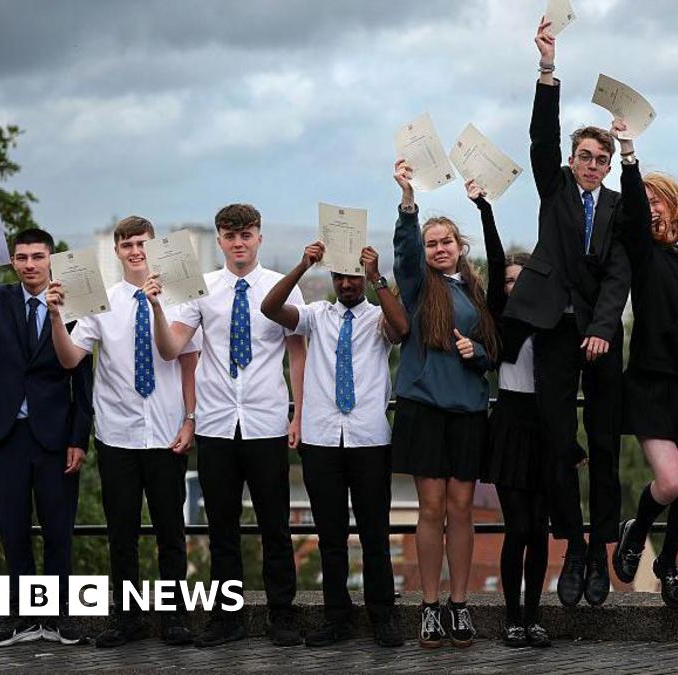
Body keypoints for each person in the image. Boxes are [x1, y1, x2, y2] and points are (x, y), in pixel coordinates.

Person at [502, 17, 632, 608]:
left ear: (608, 165)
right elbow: (540, 139)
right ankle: (573, 547)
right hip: (553, 329)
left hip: (600, 337)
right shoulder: (554, 189)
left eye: (600, 159)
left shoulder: (619, 207)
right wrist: (547, 70)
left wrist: (604, 330)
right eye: (584, 156)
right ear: (573, 159)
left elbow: (620, 273)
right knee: (558, 443)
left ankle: (601, 551)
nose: (591, 164)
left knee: (603, 445)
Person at [147, 204, 307, 648]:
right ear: (219, 240)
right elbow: (172, 348)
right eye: (230, 235)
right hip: (216, 423)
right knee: (221, 528)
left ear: (259, 238)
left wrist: (299, 412)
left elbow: (298, 354)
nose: (239, 243)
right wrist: (157, 308)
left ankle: (282, 615)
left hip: (266, 421)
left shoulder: (281, 286)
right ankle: (226, 618)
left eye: (246, 234)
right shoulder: (200, 288)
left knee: (275, 526)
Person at [46, 216, 199, 648]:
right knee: (122, 534)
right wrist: (56, 318)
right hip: (117, 435)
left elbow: (181, 358)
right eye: (127, 245)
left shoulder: (180, 298)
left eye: (141, 244)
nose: (135, 251)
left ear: (154, 247)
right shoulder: (100, 301)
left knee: (171, 532)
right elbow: (70, 359)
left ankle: (174, 618)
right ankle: (127, 619)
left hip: (166, 433)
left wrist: (191, 419)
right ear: (116, 252)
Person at [0, 228, 92, 648]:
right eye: (22, 257)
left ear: (51, 260)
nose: (30, 264)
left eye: (38, 256)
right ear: (12, 261)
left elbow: (83, 382)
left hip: (56, 438)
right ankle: (24, 620)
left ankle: (58, 619)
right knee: (13, 531)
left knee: (59, 531)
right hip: (5, 435)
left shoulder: (72, 303)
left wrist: (79, 439)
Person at [260, 239, 408, 648]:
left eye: (353, 277)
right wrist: (302, 265)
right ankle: (336, 617)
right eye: (340, 276)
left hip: (368, 439)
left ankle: (383, 616)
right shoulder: (316, 315)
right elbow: (270, 308)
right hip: (321, 438)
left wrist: (377, 277)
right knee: (330, 536)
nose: (346, 283)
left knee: (375, 534)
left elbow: (402, 329)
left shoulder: (378, 317)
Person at [391, 160, 499, 648]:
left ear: (459, 247)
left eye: (446, 242)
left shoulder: (475, 290)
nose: (438, 249)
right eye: (432, 243)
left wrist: (477, 352)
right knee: (431, 509)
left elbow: (493, 352)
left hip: (469, 412)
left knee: (462, 509)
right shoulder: (417, 286)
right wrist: (408, 203)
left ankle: (459, 604)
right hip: (425, 411)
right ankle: (430, 606)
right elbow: (405, 252)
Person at [608, 126, 678, 610]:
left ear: (673, 203)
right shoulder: (641, 252)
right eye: (643, 201)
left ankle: (668, 563)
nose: (650, 207)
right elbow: (630, 207)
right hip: (650, 383)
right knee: (669, 482)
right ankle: (637, 528)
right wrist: (628, 154)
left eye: (656, 200)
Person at [471, 181, 552, 648]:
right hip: (509, 425)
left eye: (522, 280)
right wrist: (485, 210)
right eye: (508, 281)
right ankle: (511, 617)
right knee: (517, 527)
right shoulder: (502, 320)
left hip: (544, 426)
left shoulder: (550, 321)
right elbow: (495, 258)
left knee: (539, 531)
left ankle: (534, 617)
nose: (513, 284)